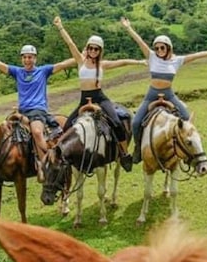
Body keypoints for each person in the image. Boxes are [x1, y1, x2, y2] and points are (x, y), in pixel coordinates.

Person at [120, 16, 207, 163]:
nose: (159, 50)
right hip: (151, 95)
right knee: (136, 122)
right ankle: (138, 148)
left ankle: (186, 150)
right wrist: (128, 27)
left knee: (186, 118)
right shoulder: (151, 57)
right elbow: (139, 41)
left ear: (168, 47)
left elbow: (194, 56)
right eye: (157, 48)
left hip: (169, 95)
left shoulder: (176, 61)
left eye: (162, 47)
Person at [0, 41, 75, 181]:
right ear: (21, 59)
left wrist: (82, 56)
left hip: (37, 110)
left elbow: (64, 64)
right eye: (24, 57)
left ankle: (47, 163)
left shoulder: (43, 71)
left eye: (30, 57)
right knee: (1, 131)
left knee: (36, 132)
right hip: (21, 111)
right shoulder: (18, 72)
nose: (27, 60)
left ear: (35, 58)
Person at [53, 16, 142, 172]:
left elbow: (123, 62)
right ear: (87, 48)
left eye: (96, 49)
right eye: (91, 48)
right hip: (84, 99)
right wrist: (60, 27)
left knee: (116, 122)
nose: (93, 51)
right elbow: (70, 44)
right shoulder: (80, 60)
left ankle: (124, 154)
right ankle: (63, 157)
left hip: (100, 98)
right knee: (67, 126)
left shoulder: (103, 64)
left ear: (100, 51)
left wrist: (139, 62)